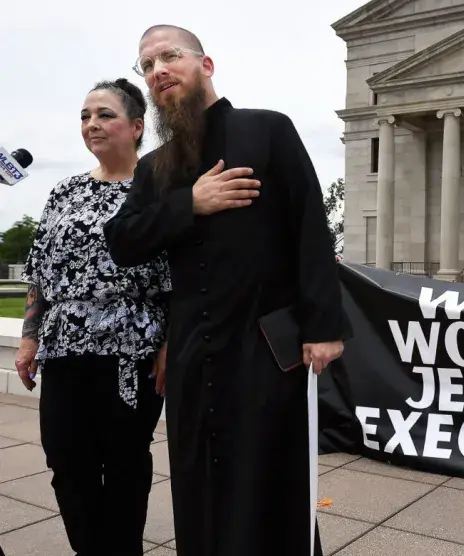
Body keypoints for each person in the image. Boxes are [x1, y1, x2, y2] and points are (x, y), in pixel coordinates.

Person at [102, 25, 351, 556]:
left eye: (169, 56)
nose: (158, 71)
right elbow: (122, 241)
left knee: (272, 482)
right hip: (193, 353)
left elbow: (310, 228)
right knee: (199, 482)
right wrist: (189, 204)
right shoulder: (155, 167)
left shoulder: (269, 130)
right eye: (146, 66)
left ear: (206, 64)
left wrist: (324, 326)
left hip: (266, 345)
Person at [14, 78, 169, 556]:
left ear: (137, 126)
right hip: (63, 352)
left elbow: (183, 276)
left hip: (132, 354)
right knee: (65, 462)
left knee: (124, 465)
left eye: (104, 115)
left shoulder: (161, 190)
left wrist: (172, 344)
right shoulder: (65, 192)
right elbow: (40, 271)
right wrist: (30, 337)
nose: (91, 124)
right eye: (85, 116)